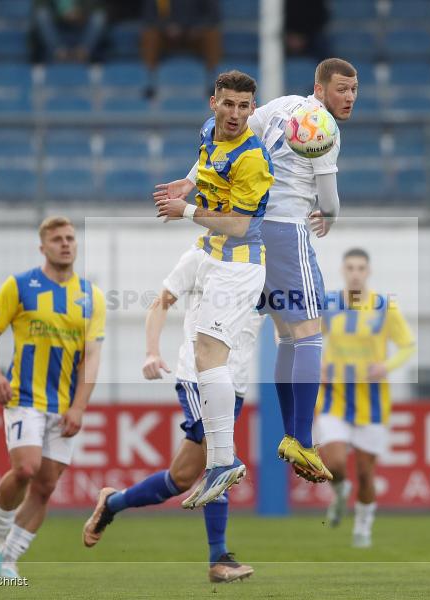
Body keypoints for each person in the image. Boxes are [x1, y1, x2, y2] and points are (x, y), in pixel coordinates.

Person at [158, 58, 358, 484]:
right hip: (286, 231)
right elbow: (329, 200)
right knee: (309, 335)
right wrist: (331, 217)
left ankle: (290, 436)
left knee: (286, 335)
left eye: (353, 90)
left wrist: (190, 181)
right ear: (320, 90)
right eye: (342, 89)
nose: (349, 98)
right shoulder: (324, 128)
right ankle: (301, 438)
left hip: (250, 236)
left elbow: (235, 135)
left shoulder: (282, 105)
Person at [83, 244, 262, 583]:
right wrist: (151, 352)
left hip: (233, 388)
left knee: (179, 478)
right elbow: (160, 302)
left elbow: (288, 321)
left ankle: (112, 503)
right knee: (221, 458)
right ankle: (219, 558)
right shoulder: (201, 255)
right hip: (197, 377)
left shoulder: (262, 265)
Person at [153, 70, 273, 509]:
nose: (236, 114)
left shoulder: (252, 158)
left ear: (253, 109)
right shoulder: (209, 131)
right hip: (217, 258)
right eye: (229, 104)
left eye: (244, 106)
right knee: (207, 357)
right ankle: (221, 462)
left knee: (209, 357)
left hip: (239, 264)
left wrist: (186, 209)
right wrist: (190, 182)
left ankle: (223, 461)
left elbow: (239, 226)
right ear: (214, 103)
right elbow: (206, 159)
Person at [0, 216, 105, 579]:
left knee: (46, 486)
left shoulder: (91, 297)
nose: (65, 244)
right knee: (26, 468)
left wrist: (79, 407)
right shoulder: (19, 286)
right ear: (43, 247)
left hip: (63, 405)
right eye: (57, 239)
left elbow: (92, 357)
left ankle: (8, 559)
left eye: (70, 238)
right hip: (23, 396)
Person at [316, 248, 416, 549]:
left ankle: (362, 526)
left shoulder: (385, 307)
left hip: (371, 402)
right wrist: (316, 363)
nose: (355, 273)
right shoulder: (328, 304)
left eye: (361, 268)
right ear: (343, 271)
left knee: (365, 472)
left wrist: (386, 366)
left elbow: (408, 346)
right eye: (350, 268)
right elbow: (306, 337)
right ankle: (339, 492)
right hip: (334, 397)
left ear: (368, 272)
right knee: (334, 463)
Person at [140, 0, 221, 95]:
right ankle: (150, 82)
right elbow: (149, 17)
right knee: (150, 35)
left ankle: (213, 82)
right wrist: (166, 27)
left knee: (212, 34)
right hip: (166, 37)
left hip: (196, 36)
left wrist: (198, 28)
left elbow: (214, 16)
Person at [32, 0, 108, 62]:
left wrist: (80, 13)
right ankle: (59, 52)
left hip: (82, 22)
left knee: (99, 17)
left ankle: (82, 53)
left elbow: (96, 5)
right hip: (57, 23)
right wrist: (61, 14)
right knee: (42, 14)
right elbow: (39, 4)